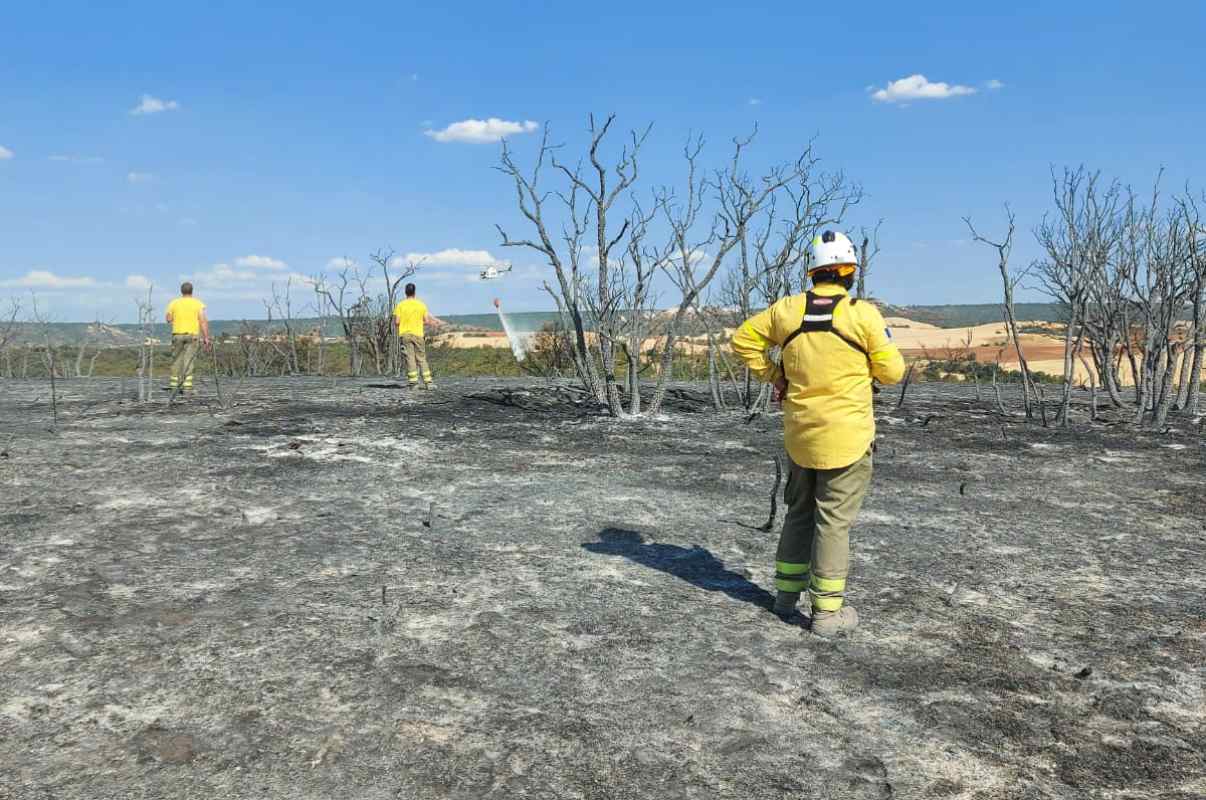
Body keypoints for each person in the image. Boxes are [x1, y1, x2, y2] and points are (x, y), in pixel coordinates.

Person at [730, 231, 905, 637]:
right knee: (833, 523)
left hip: (801, 435)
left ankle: (785, 599)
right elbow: (892, 373)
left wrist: (776, 375)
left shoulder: (787, 310)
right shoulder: (862, 315)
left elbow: (743, 340)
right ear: (849, 272)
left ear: (813, 273)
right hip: (848, 438)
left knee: (799, 512)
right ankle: (826, 614)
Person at [164, 282, 210, 393]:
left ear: (181, 291)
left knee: (176, 360)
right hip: (192, 335)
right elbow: (202, 321)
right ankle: (187, 387)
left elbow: (168, 319)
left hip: (177, 335)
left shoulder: (174, 303)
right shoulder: (198, 303)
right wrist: (206, 337)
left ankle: (174, 386)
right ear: (192, 291)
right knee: (189, 360)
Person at [392, 283, 440, 389]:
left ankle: (413, 384)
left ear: (405, 292)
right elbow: (426, 321)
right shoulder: (421, 304)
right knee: (421, 358)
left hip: (405, 335)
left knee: (410, 359)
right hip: (418, 334)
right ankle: (428, 383)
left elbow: (397, 322)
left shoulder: (400, 305)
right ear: (414, 292)